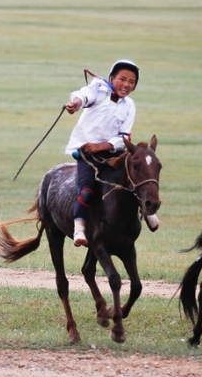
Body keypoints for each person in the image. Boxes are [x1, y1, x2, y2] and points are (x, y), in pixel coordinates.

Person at [63, 59, 158, 247]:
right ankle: (79, 226)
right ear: (112, 78)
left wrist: (102, 146)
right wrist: (75, 103)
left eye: (132, 82)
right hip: (86, 154)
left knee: (134, 178)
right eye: (122, 79)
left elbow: (124, 136)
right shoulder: (98, 90)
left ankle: (148, 212)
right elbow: (84, 96)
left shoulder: (129, 105)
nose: (126, 85)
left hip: (113, 152)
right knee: (87, 190)